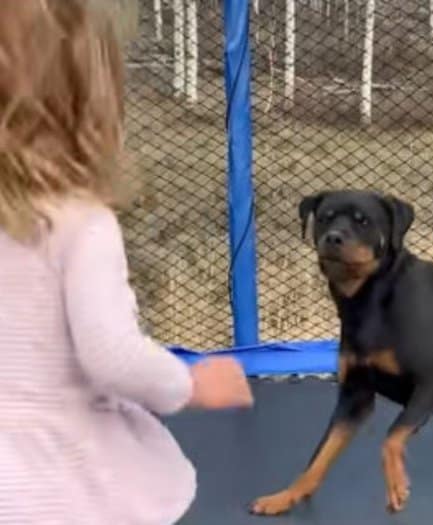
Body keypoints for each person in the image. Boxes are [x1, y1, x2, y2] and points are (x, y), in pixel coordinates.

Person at [0, 2, 253, 524]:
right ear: (92, 100)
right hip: (62, 485)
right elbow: (112, 355)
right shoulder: (78, 225)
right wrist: (191, 384)